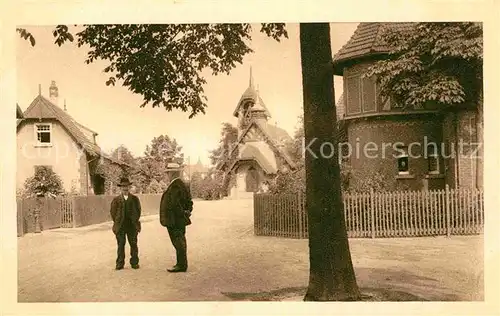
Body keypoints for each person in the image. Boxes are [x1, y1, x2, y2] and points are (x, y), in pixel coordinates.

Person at [159, 177, 193, 273]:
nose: (167, 174)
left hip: (174, 220)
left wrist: (182, 213)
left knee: (178, 242)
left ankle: (181, 265)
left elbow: (174, 204)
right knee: (181, 241)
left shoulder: (175, 186)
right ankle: (181, 263)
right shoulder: (182, 185)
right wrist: (187, 212)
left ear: (172, 173)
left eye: (168, 172)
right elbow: (190, 202)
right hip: (179, 220)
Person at [110, 176, 142, 270]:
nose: (125, 188)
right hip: (120, 226)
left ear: (129, 187)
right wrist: (117, 221)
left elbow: (138, 211)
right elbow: (113, 212)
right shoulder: (116, 200)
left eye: (127, 186)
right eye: (123, 186)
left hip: (132, 225)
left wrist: (135, 220)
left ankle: (134, 263)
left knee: (133, 244)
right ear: (120, 188)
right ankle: (120, 263)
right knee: (120, 245)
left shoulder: (135, 199)